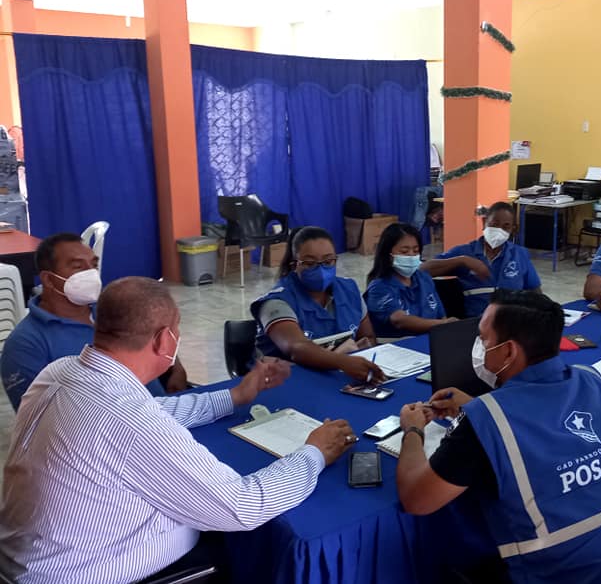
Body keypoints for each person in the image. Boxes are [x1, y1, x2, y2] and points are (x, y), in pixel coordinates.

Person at [0, 277, 357, 584]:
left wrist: (235, 396)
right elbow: (243, 506)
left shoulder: (61, 372)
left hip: (28, 558)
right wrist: (314, 452)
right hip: (87, 571)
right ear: (163, 341)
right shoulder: (131, 422)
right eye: (178, 330)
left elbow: (157, 409)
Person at [395, 290, 601, 583]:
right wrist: (478, 406)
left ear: (509, 351)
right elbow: (546, 424)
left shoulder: (485, 419)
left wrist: (413, 430)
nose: (479, 347)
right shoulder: (590, 381)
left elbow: (417, 500)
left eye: (483, 339)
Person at [0, 233, 187, 411]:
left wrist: (174, 368)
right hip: (112, 428)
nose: (90, 273)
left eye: (93, 265)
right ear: (48, 279)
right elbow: (36, 417)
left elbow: (157, 334)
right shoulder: (26, 344)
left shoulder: (115, 307)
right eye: (78, 266)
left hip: (166, 410)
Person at [250, 227, 384, 384]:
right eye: (309, 263)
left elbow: (368, 337)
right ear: (294, 265)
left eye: (328, 261)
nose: (320, 269)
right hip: (287, 382)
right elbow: (297, 348)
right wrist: (343, 361)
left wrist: (362, 354)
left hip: (339, 379)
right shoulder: (276, 302)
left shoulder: (349, 290)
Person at [421, 202, 542, 317]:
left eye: (506, 226)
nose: (499, 230)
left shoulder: (519, 254)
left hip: (512, 320)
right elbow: (422, 270)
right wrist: (462, 260)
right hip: (477, 322)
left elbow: (535, 292)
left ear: (513, 229)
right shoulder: (466, 251)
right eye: (494, 224)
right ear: (484, 222)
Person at [364, 222, 455, 337]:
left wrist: (445, 327)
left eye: (416, 251)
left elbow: (441, 315)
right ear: (388, 254)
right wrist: (442, 324)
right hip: (400, 345)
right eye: (404, 252)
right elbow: (400, 320)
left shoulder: (424, 278)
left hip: (432, 341)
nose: (411, 256)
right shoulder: (379, 287)